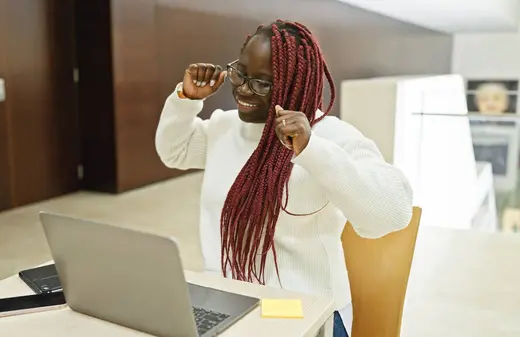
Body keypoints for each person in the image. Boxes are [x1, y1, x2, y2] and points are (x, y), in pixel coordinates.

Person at [155, 20, 413, 337]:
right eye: (239, 73)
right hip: (230, 305)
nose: (242, 90)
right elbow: (174, 151)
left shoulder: (329, 137)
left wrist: (311, 150)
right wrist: (185, 99)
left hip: (304, 316)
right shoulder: (225, 128)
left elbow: (394, 212)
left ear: (295, 85)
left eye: (262, 84)